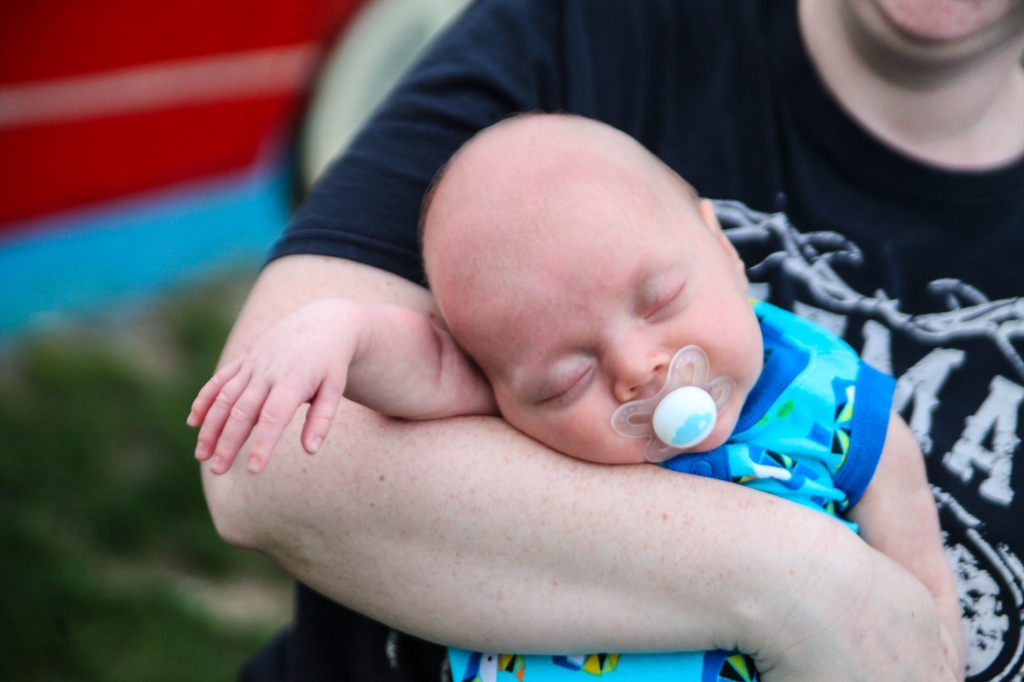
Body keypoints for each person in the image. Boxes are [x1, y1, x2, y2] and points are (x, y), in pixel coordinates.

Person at [198, 1, 1024, 681]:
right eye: (563, 381)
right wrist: (336, 328)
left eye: (662, 299)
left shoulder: (814, 385)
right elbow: (375, 400)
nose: (637, 370)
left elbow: (900, 500)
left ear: (725, 246)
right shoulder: (590, 32)